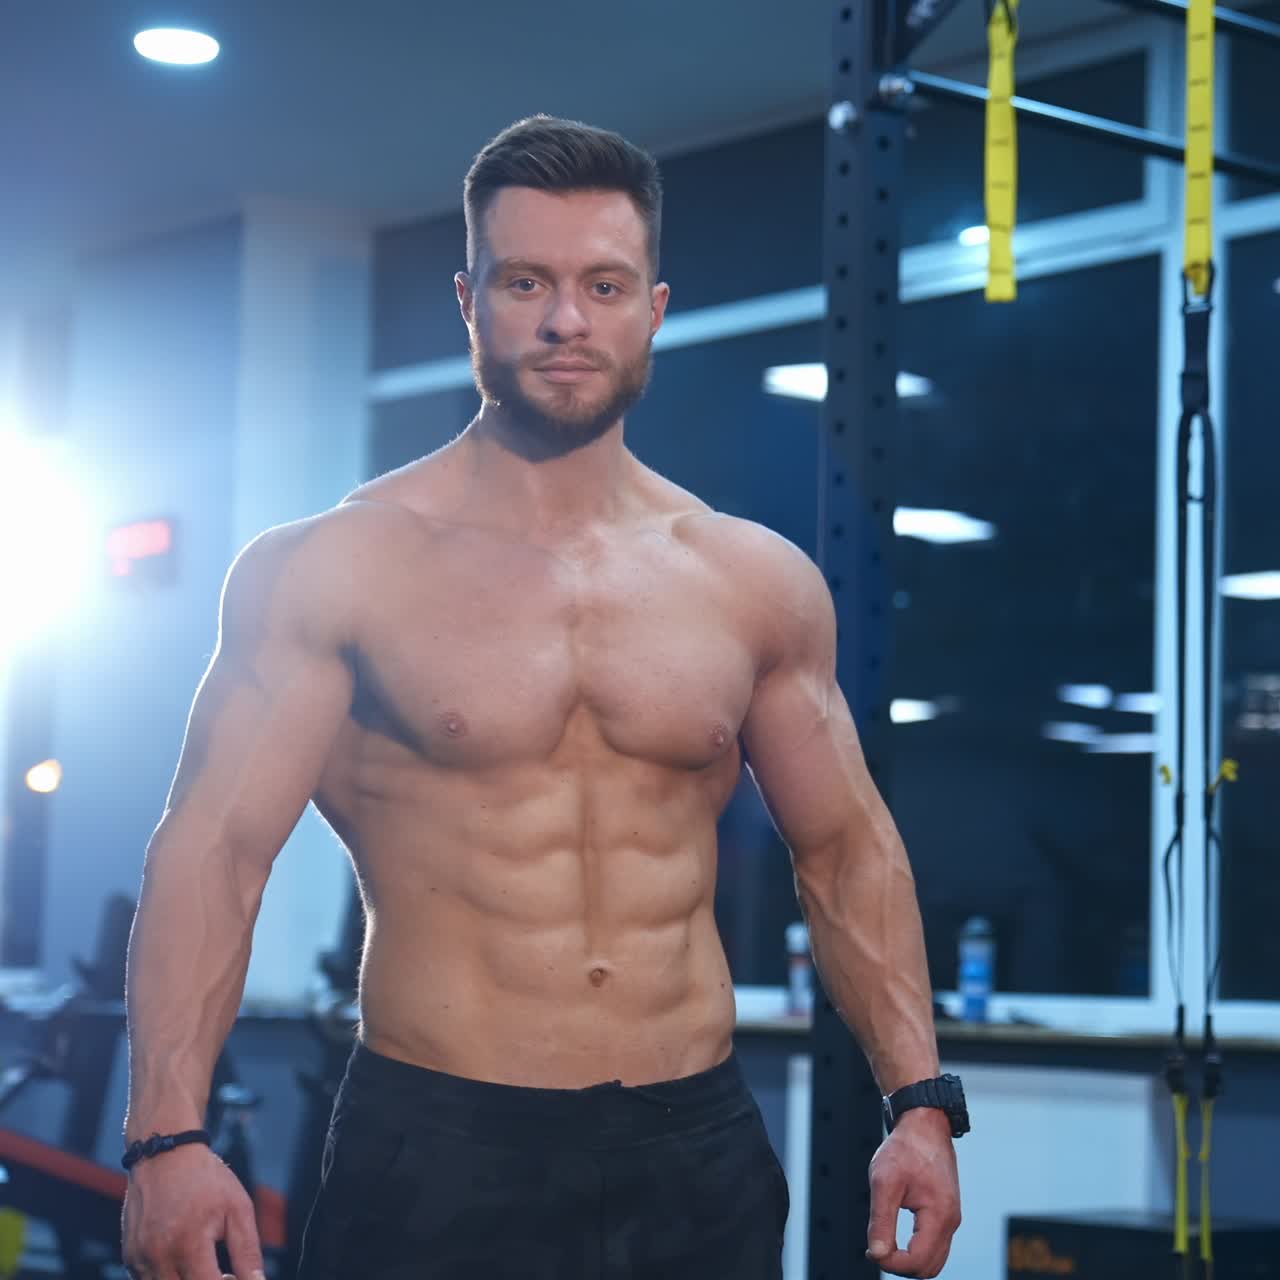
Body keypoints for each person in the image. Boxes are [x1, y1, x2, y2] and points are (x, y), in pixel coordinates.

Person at [121, 114, 961, 1280]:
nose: (566, 319)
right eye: (526, 281)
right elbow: (214, 849)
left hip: (695, 1147)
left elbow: (845, 846)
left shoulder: (749, 578)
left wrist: (917, 1099)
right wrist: (166, 1133)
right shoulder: (335, 565)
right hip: (442, 1149)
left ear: (651, 310)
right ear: (469, 300)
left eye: (601, 284)